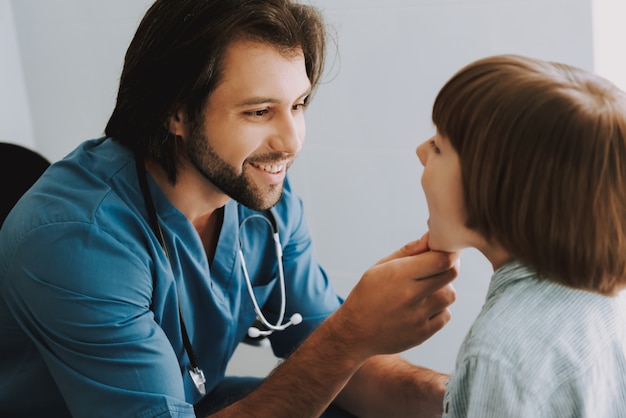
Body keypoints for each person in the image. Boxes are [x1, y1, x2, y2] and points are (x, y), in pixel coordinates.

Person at [0, 1, 459, 417]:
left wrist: (466, 397)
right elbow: (335, 348)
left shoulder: (259, 198)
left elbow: (327, 352)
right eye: (259, 112)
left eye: (298, 105)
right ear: (175, 112)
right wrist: (352, 333)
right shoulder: (77, 237)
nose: (291, 141)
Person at [417, 54, 626, 417]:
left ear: (494, 187)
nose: (421, 153)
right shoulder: (597, 305)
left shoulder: (500, 351)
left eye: (438, 147)